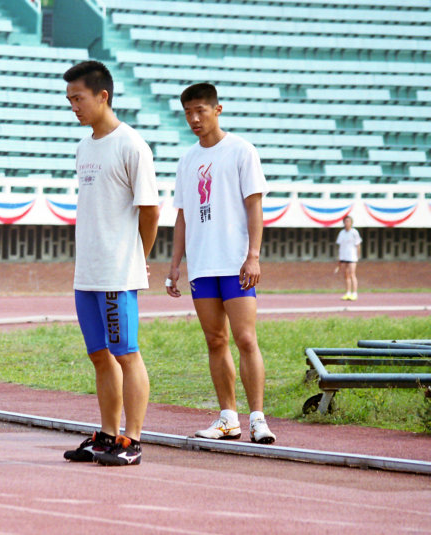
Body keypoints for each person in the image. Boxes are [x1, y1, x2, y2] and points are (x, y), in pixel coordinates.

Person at [61, 61, 160, 466]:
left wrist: (138, 258)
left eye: (78, 99)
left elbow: (150, 212)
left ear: (103, 96)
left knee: (126, 353)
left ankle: (131, 440)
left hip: (118, 274)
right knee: (99, 355)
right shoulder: (85, 146)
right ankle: (106, 433)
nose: (74, 107)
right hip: (87, 273)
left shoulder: (132, 145)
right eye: (69, 100)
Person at [166, 82, 276, 445]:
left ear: (217, 109)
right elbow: (182, 216)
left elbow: (254, 205)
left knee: (245, 338)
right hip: (202, 265)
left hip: (235, 263)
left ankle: (258, 418)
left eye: (200, 110)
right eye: (187, 113)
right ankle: (228, 417)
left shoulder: (241, 150)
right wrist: (175, 263)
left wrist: (253, 256)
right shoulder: (187, 159)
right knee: (215, 340)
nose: (194, 119)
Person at [336, 215, 362, 301]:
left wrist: (358, 255)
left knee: (352, 274)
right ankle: (348, 292)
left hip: (352, 256)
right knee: (346, 275)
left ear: (351, 223)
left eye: (348, 221)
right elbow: (340, 246)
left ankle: (354, 293)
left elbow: (358, 245)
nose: (347, 223)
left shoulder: (354, 232)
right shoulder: (341, 233)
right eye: (345, 221)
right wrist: (339, 257)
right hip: (344, 256)